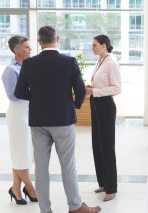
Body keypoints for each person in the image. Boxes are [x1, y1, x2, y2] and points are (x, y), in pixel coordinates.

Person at [14, 26, 101, 213]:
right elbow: (80, 91)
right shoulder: (69, 62)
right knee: (68, 166)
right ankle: (75, 206)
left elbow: (20, 92)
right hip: (63, 120)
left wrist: (38, 99)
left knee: (41, 169)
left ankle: (45, 210)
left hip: (38, 121)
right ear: (58, 39)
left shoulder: (29, 64)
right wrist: (73, 105)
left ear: (39, 41)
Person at [1, 36, 37, 205]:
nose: (30, 50)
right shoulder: (10, 70)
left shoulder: (30, 66)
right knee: (21, 151)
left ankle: (16, 187)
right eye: (27, 47)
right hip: (18, 113)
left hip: (29, 112)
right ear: (16, 49)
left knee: (23, 152)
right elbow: (12, 95)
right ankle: (30, 188)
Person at [85, 35, 122, 202]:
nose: (92, 48)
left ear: (104, 45)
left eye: (94, 45)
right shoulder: (100, 61)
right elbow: (101, 84)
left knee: (106, 146)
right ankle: (103, 182)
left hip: (105, 105)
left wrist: (95, 91)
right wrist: (92, 89)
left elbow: (116, 88)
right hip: (95, 103)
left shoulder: (112, 63)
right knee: (97, 144)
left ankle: (111, 188)